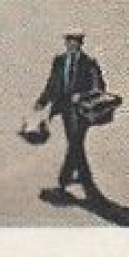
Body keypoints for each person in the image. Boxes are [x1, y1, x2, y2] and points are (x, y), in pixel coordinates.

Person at [34, 31, 107, 201]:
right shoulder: (59, 60)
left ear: (80, 45)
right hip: (65, 109)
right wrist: (42, 101)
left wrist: (81, 96)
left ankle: (63, 183)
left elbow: (100, 88)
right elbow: (52, 83)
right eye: (69, 42)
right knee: (75, 144)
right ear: (66, 43)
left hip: (82, 112)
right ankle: (84, 177)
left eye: (75, 43)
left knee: (74, 143)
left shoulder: (89, 63)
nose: (72, 45)